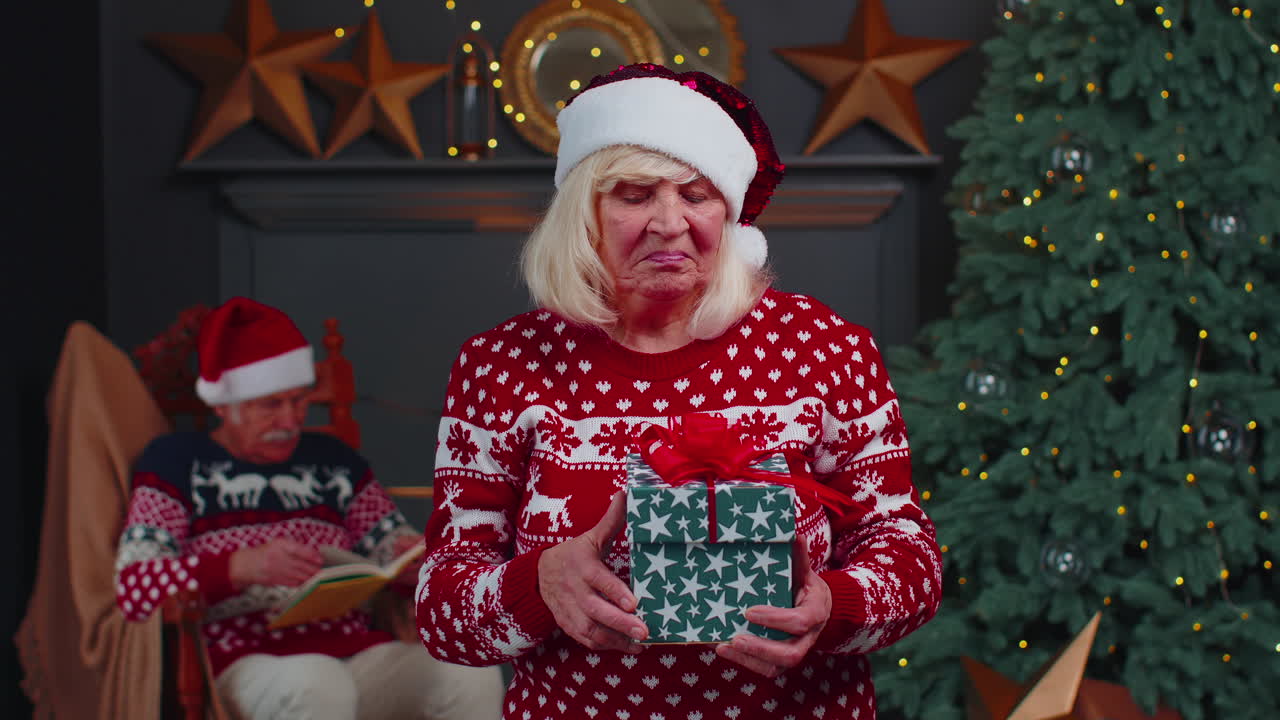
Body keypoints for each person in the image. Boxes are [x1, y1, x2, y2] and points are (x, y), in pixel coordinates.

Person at [415, 64, 943, 719]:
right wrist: (538, 584)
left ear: (727, 211)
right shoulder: (501, 364)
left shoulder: (824, 347)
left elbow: (909, 554)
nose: (670, 222)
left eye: (696, 194)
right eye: (634, 195)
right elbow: (441, 611)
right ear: (585, 211)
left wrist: (835, 606)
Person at [115, 297, 504, 720]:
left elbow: (391, 543)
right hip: (245, 661)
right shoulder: (174, 464)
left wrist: (412, 565)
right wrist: (238, 567)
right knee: (317, 682)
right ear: (224, 406)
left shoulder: (334, 462)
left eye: (300, 401)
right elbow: (135, 587)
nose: (291, 420)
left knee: (469, 675)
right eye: (271, 405)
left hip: (356, 653)